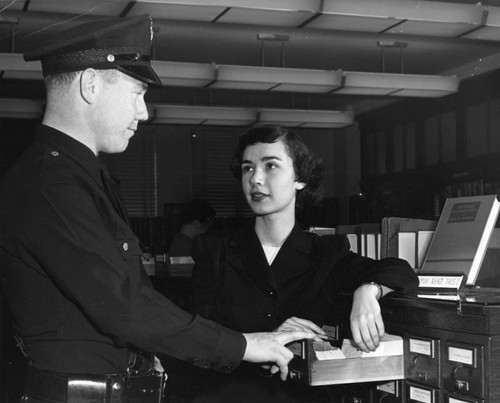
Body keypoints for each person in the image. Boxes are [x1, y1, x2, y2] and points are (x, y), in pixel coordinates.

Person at [0, 16, 315, 403]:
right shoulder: (53, 185)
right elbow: (123, 304)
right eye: (136, 93)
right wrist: (246, 346)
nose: (144, 112)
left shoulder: (77, 175)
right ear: (90, 84)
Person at [164, 125, 419, 402]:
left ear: (300, 178)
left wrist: (368, 290)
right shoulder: (214, 251)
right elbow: (200, 341)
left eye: (270, 166)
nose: (255, 179)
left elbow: (400, 270)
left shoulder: (326, 254)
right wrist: (267, 341)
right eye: (248, 168)